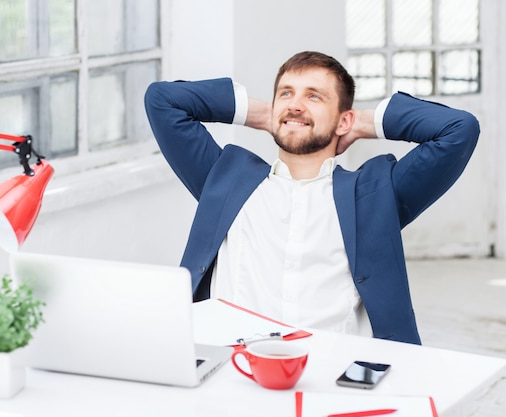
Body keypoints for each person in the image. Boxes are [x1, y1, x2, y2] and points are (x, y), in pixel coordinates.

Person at [144, 51, 479, 345]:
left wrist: (361, 122)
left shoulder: (375, 194)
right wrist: (265, 115)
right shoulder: (225, 178)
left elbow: (458, 129)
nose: (295, 103)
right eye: (286, 93)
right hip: (232, 369)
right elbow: (162, 100)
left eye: (314, 96)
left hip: (334, 378)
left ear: (343, 119)